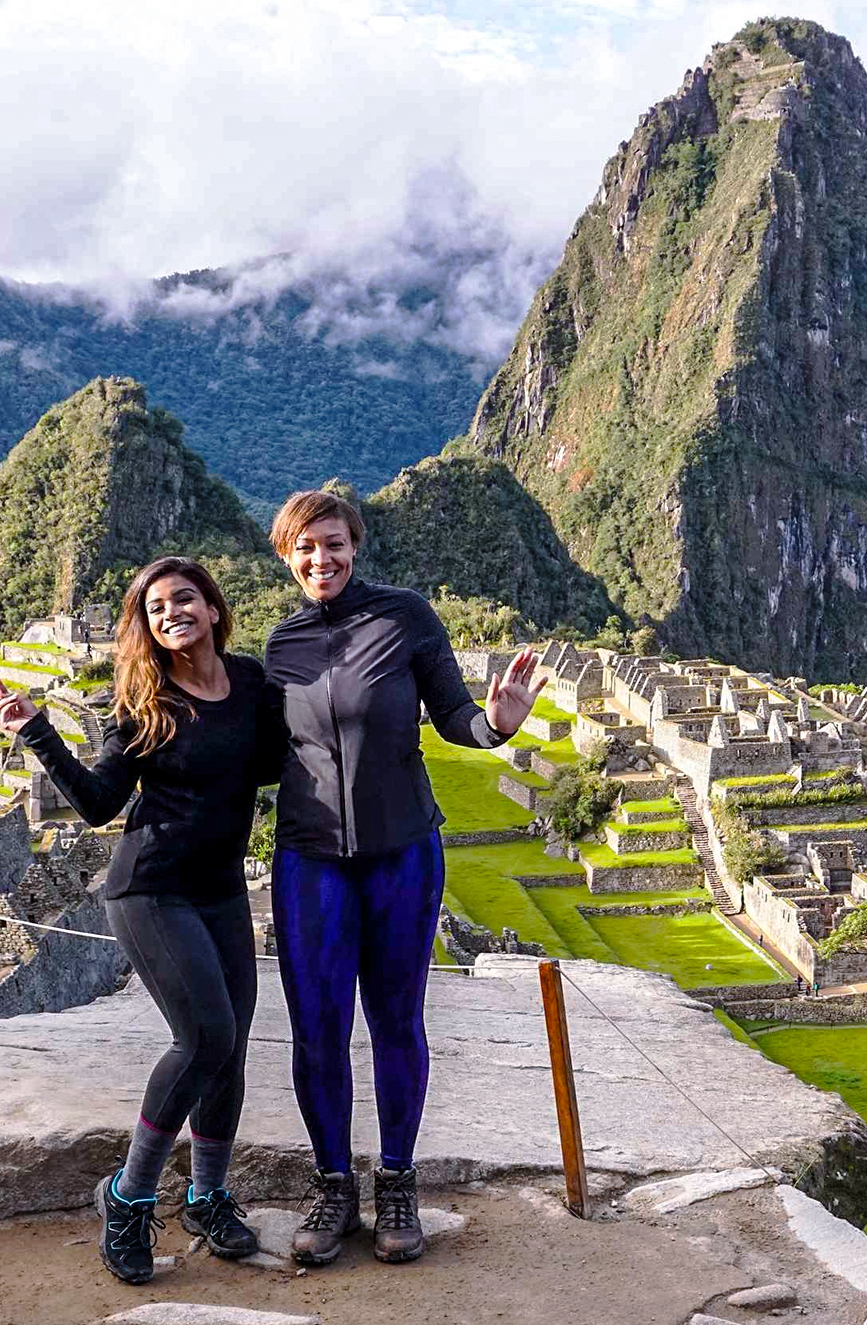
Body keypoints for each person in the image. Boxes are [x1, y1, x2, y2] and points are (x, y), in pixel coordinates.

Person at [264, 490, 546, 1266]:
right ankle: (331, 1186)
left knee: (396, 1020)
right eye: (305, 549)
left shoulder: (405, 617)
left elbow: (457, 715)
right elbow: (260, 751)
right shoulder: (281, 643)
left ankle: (395, 1182)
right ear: (287, 558)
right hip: (309, 858)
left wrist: (499, 724)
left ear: (356, 545)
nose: (321, 559)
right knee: (317, 1031)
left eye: (333, 543)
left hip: (402, 854)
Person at [0, 556, 282, 1286]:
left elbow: (280, 760)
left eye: (185, 598)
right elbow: (97, 804)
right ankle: (129, 1197)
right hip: (150, 889)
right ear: (147, 628)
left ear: (214, 608)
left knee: (231, 1050)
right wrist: (38, 732)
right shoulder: (145, 702)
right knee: (204, 1037)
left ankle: (209, 1197)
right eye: (156, 608)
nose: (172, 612)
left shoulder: (250, 684)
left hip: (218, 891)